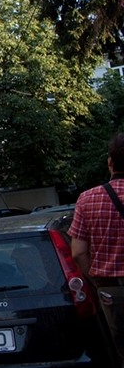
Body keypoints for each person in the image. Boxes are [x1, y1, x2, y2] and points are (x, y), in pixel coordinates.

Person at [69, 132, 124, 367]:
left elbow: (78, 252)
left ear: (110, 162)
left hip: (112, 289)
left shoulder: (87, 199)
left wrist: (97, 282)